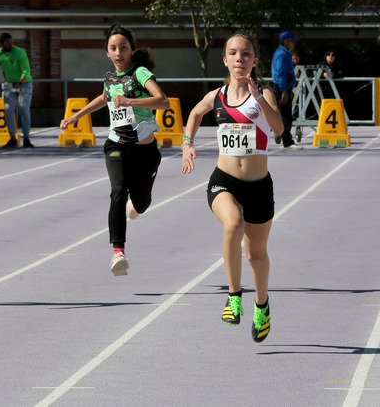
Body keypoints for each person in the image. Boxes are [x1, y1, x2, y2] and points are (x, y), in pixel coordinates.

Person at [181, 31, 284, 343]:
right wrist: (187, 143)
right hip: (224, 181)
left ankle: (262, 305)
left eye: (247, 54)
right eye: (234, 54)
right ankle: (234, 295)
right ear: (225, 60)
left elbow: (278, 128)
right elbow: (195, 113)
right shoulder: (218, 96)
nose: (240, 59)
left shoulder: (263, 94)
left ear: (253, 60)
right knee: (233, 224)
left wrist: (258, 99)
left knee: (256, 256)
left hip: (259, 187)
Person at [59, 24, 168, 276]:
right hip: (116, 144)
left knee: (141, 203)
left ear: (131, 49)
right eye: (113, 48)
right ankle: (118, 252)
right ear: (107, 52)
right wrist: (76, 116)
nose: (118, 52)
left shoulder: (140, 73)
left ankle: (136, 207)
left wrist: (130, 100)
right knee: (118, 190)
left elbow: (162, 101)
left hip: (145, 150)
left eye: (123, 47)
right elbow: (103, 98)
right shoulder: (109, 79)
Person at [0, 32, 33, 148]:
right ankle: (12, 138)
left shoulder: (19, 53)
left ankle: (26, 138)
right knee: (8, 110)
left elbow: (26, 71)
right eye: (8, 43)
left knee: (24, 109)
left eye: (11, 42)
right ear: (2, 43)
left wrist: (20, 82)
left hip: (24, 83)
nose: (10, 45)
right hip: (9, 84)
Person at [270, 31, 300, 149]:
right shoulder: (282, 54)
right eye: (291, 41)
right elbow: (281, 73)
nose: (293, 44)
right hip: (283, 88)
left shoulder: (284, 53)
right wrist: (284, 91)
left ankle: (285, 138)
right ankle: (287, 141)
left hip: (285, 87)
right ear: (286, 41)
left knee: (284, 115)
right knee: (285, 116)